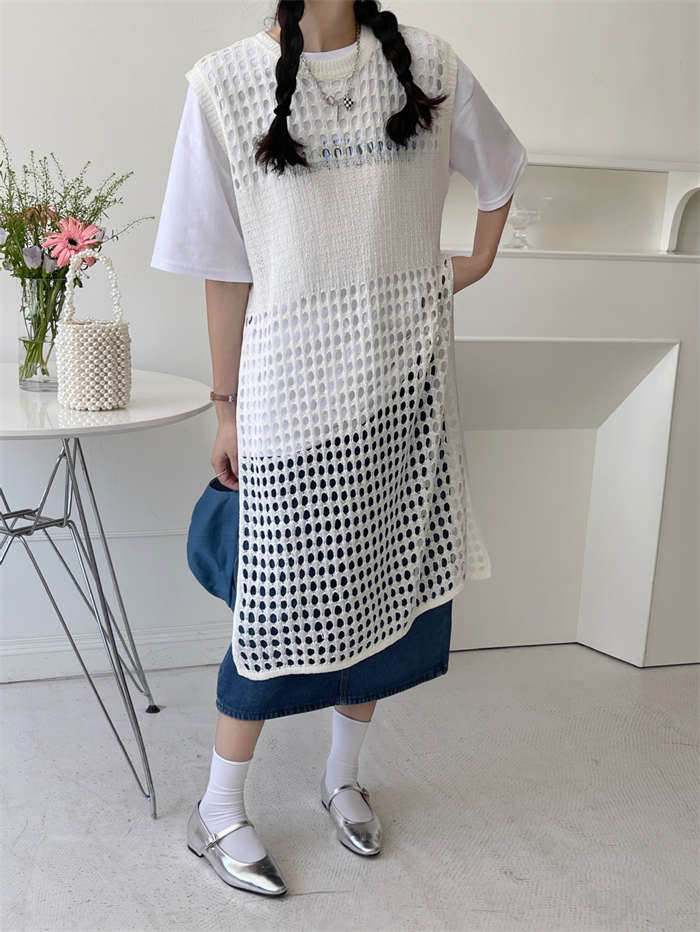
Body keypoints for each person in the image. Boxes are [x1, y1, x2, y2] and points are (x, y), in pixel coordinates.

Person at [151, 0, 527, 898]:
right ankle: (218, 809)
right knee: (274, 611)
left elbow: (502, 164)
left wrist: (472, 264)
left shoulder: (427, 63)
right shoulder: (225, 86)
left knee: (381, 592)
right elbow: (224, 268)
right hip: (290, 397)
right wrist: (225, 408)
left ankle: (341, 776)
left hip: (403, 390)